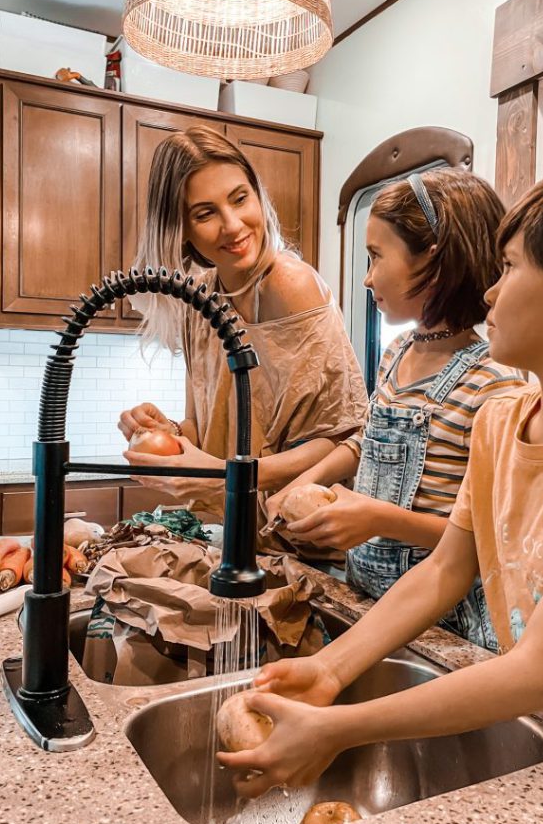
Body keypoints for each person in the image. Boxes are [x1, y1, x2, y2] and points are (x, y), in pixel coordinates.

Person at [218, 162, 543, 795]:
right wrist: (328, 668)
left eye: (510, 267)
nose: (489, 291)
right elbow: (444, 571)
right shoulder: (503, 421)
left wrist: (339, 727)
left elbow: (538, 669)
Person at [267, 168, 524, 647]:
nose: (366, 278)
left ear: (437, 261)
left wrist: (376, 519)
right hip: (368, 603)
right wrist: (304, 482)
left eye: (376, 256)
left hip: (442, 628)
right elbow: (365, 443)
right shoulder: (397, 352)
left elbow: (486, 536)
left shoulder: (493, 384)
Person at [118, 125, 368, 536]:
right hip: (240, 533)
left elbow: (345, 438)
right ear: (179, 229)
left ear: (257, 194)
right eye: (205, 213)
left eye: (240, 198)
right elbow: (208, 430)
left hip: (303, 535)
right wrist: (170, 434)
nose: (233, 225)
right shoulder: (198, 299)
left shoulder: (289, 286)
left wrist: (226, 473)